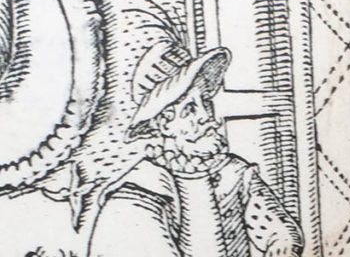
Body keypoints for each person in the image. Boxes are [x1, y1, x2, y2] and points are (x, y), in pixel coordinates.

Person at [89, 38, 303, 257]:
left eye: (206, 103)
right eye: (190, 109)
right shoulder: (137, 195)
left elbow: (283, 235)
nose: (206, 117)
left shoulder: (233, 172)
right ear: (165, 124)